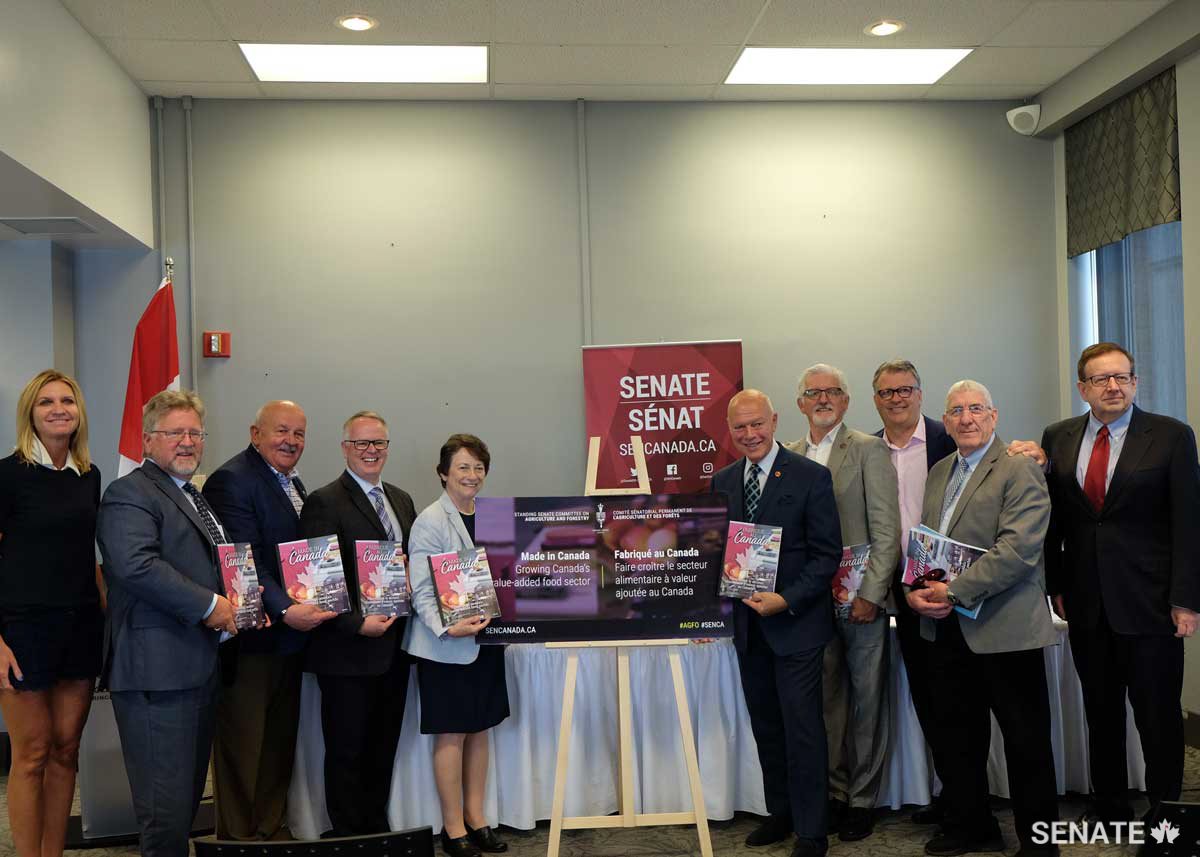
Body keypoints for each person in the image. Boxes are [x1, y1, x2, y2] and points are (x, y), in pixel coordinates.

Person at [1038, 343, 1200, 824]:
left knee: (1157, 718)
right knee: (1101, 714)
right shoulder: (1058, 437)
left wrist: (1186, 600)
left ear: (1135, 381)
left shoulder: (1171, 436)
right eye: (1101, 379)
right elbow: (1054, 520)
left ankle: (1165, 813)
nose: (1113, 386)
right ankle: (1107, 804)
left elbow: (1189, 523)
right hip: (1086, 603)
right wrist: (1054, 585)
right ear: (1082, 387)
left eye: (1123, 377)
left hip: (1152, 604)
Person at [906, 381, 1058, 857]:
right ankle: (972, 827)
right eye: (956, 411)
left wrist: (953, 589)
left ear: (994, 416)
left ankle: (1039, 842)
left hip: (1006, 628)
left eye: (976, 409)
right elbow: (930, 544)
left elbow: (1018, 551)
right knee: (957, 739)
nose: (966, 418)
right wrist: (916, 591)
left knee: (1025, 742)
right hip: (947, 629)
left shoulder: (1019, 470)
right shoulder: (939, 471)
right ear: (945, 422)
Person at [96, 390, 240, 857]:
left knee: (182, 807)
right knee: (165, 815)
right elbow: (135, 565)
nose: (187, 442)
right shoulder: (128, 493)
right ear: (147, 440)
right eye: (174, 432)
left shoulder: (191, 494)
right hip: (156, 675)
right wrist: (211, 606)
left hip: (194, 669)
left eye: (195, 433)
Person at [712, 390, 841, 857]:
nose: (750, 435)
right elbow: (716, 553)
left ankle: (811, 830)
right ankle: (780, 813)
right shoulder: (722, 481)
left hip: (796, 625)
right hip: (747, 628)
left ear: (775, 420)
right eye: (740, 427)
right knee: (766, 726)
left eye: (757, 424)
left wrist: (785, 599)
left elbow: (826, 556)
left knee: (803, 728)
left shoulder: (811, 476)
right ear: (730, 430)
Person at [203, 400, 335, 840]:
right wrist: (284, 608)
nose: (291, 441)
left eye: (299, 434)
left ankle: (269, 832)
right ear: (255, 433)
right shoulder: (232, 480)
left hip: (292, 641)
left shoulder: (292, 483)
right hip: (253, 640)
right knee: (245, 747)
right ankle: (239, 840)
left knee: (278, 745)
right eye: (281, 431)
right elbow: (244, 558)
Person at [787, 364, 899, 841]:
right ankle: (834, 793)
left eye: (833, 391)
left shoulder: (869, 450)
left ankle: (863, 799)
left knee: (868, 701)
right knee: (827, 702)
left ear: (847, 401)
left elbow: (887, 530)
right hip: (811, 604)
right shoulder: (787, 455)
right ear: (800, 404)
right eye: (814, 392)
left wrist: (872, 594)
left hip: (861, 601)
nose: (823, 398)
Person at [0, 370, 103, 857]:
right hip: (23, 629)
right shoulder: (7, 475)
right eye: (46, 402)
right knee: (32, 753)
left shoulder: (90, 476)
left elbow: (88, 557)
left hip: (80, 625)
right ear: (30, 414)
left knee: (66, 750)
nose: (58, 409)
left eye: (67, 400)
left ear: (79, 412)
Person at [300, 411, 416, 838]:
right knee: (347, 750)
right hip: (347, 651)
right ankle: (349, 837)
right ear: (345, 448)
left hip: (393, 651)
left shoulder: (401, 500)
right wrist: (355, 625)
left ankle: (377, 831)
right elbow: (317, 583)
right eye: (362, 444)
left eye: (379, 443)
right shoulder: (324, 501)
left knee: (383, 748)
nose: (372, 451)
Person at [404, 434, 509, 857]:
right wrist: (449, 630)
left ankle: (476, 817)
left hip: (486, 642)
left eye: (479, 467)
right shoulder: (431, 520)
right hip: (446, 649)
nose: (472, 475)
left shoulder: (492, 515)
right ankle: (453, 829)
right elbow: (422, 592)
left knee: (479, 729)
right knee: (451, 736)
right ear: (444, 473)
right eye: (463, 467)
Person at [870, 359, 956, 826]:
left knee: (957, 698)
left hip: (953, 590)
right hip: (900, 592)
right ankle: (950, 795)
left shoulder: (949, 439)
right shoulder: (866, 449)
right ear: (876, 400)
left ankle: (967, 802)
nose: (897, 398)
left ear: (921, 394)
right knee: (927, 695)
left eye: (905, 390)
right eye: (887, 392)